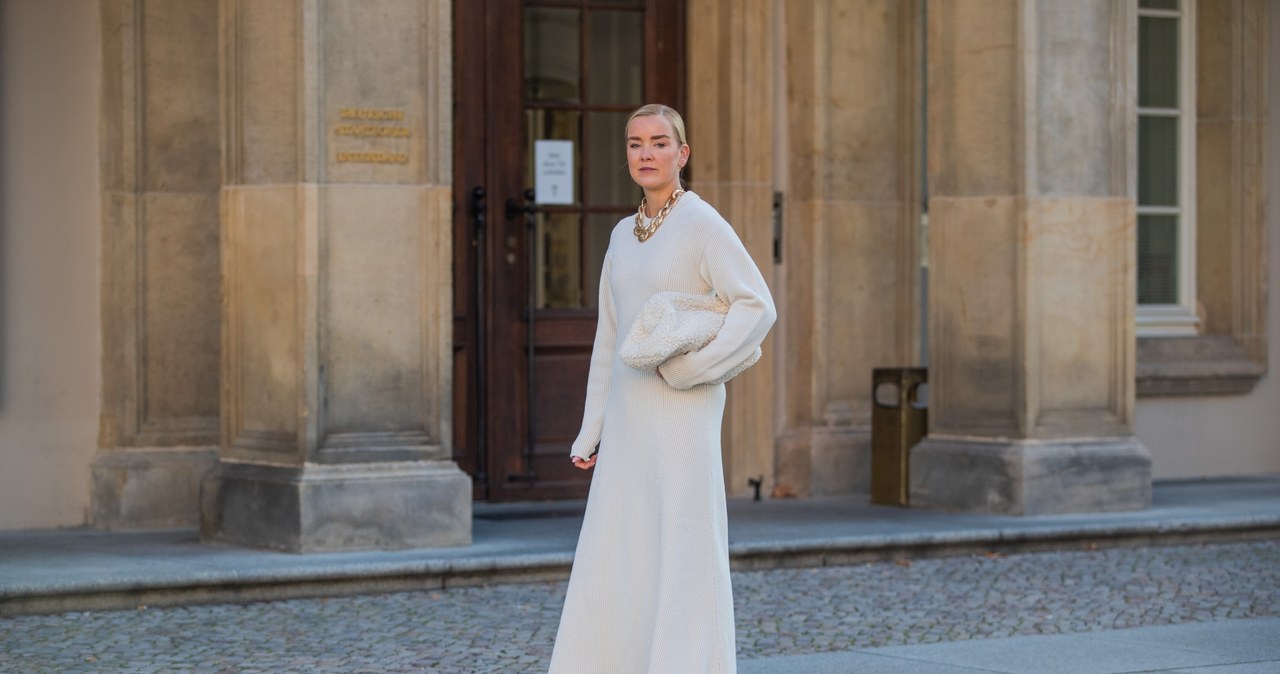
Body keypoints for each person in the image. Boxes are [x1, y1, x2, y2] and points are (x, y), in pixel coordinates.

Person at [548, 104, 776, 673]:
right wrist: (590, 428)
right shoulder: (622, 235)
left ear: (682, 153)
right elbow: (610, 337)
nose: (646, 154)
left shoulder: (702, 224)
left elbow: (757, 305)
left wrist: (697, 369)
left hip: (682, 416)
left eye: (658, 143)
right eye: (635, 144)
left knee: (680, 547)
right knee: (622, 545)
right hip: (627, 417)